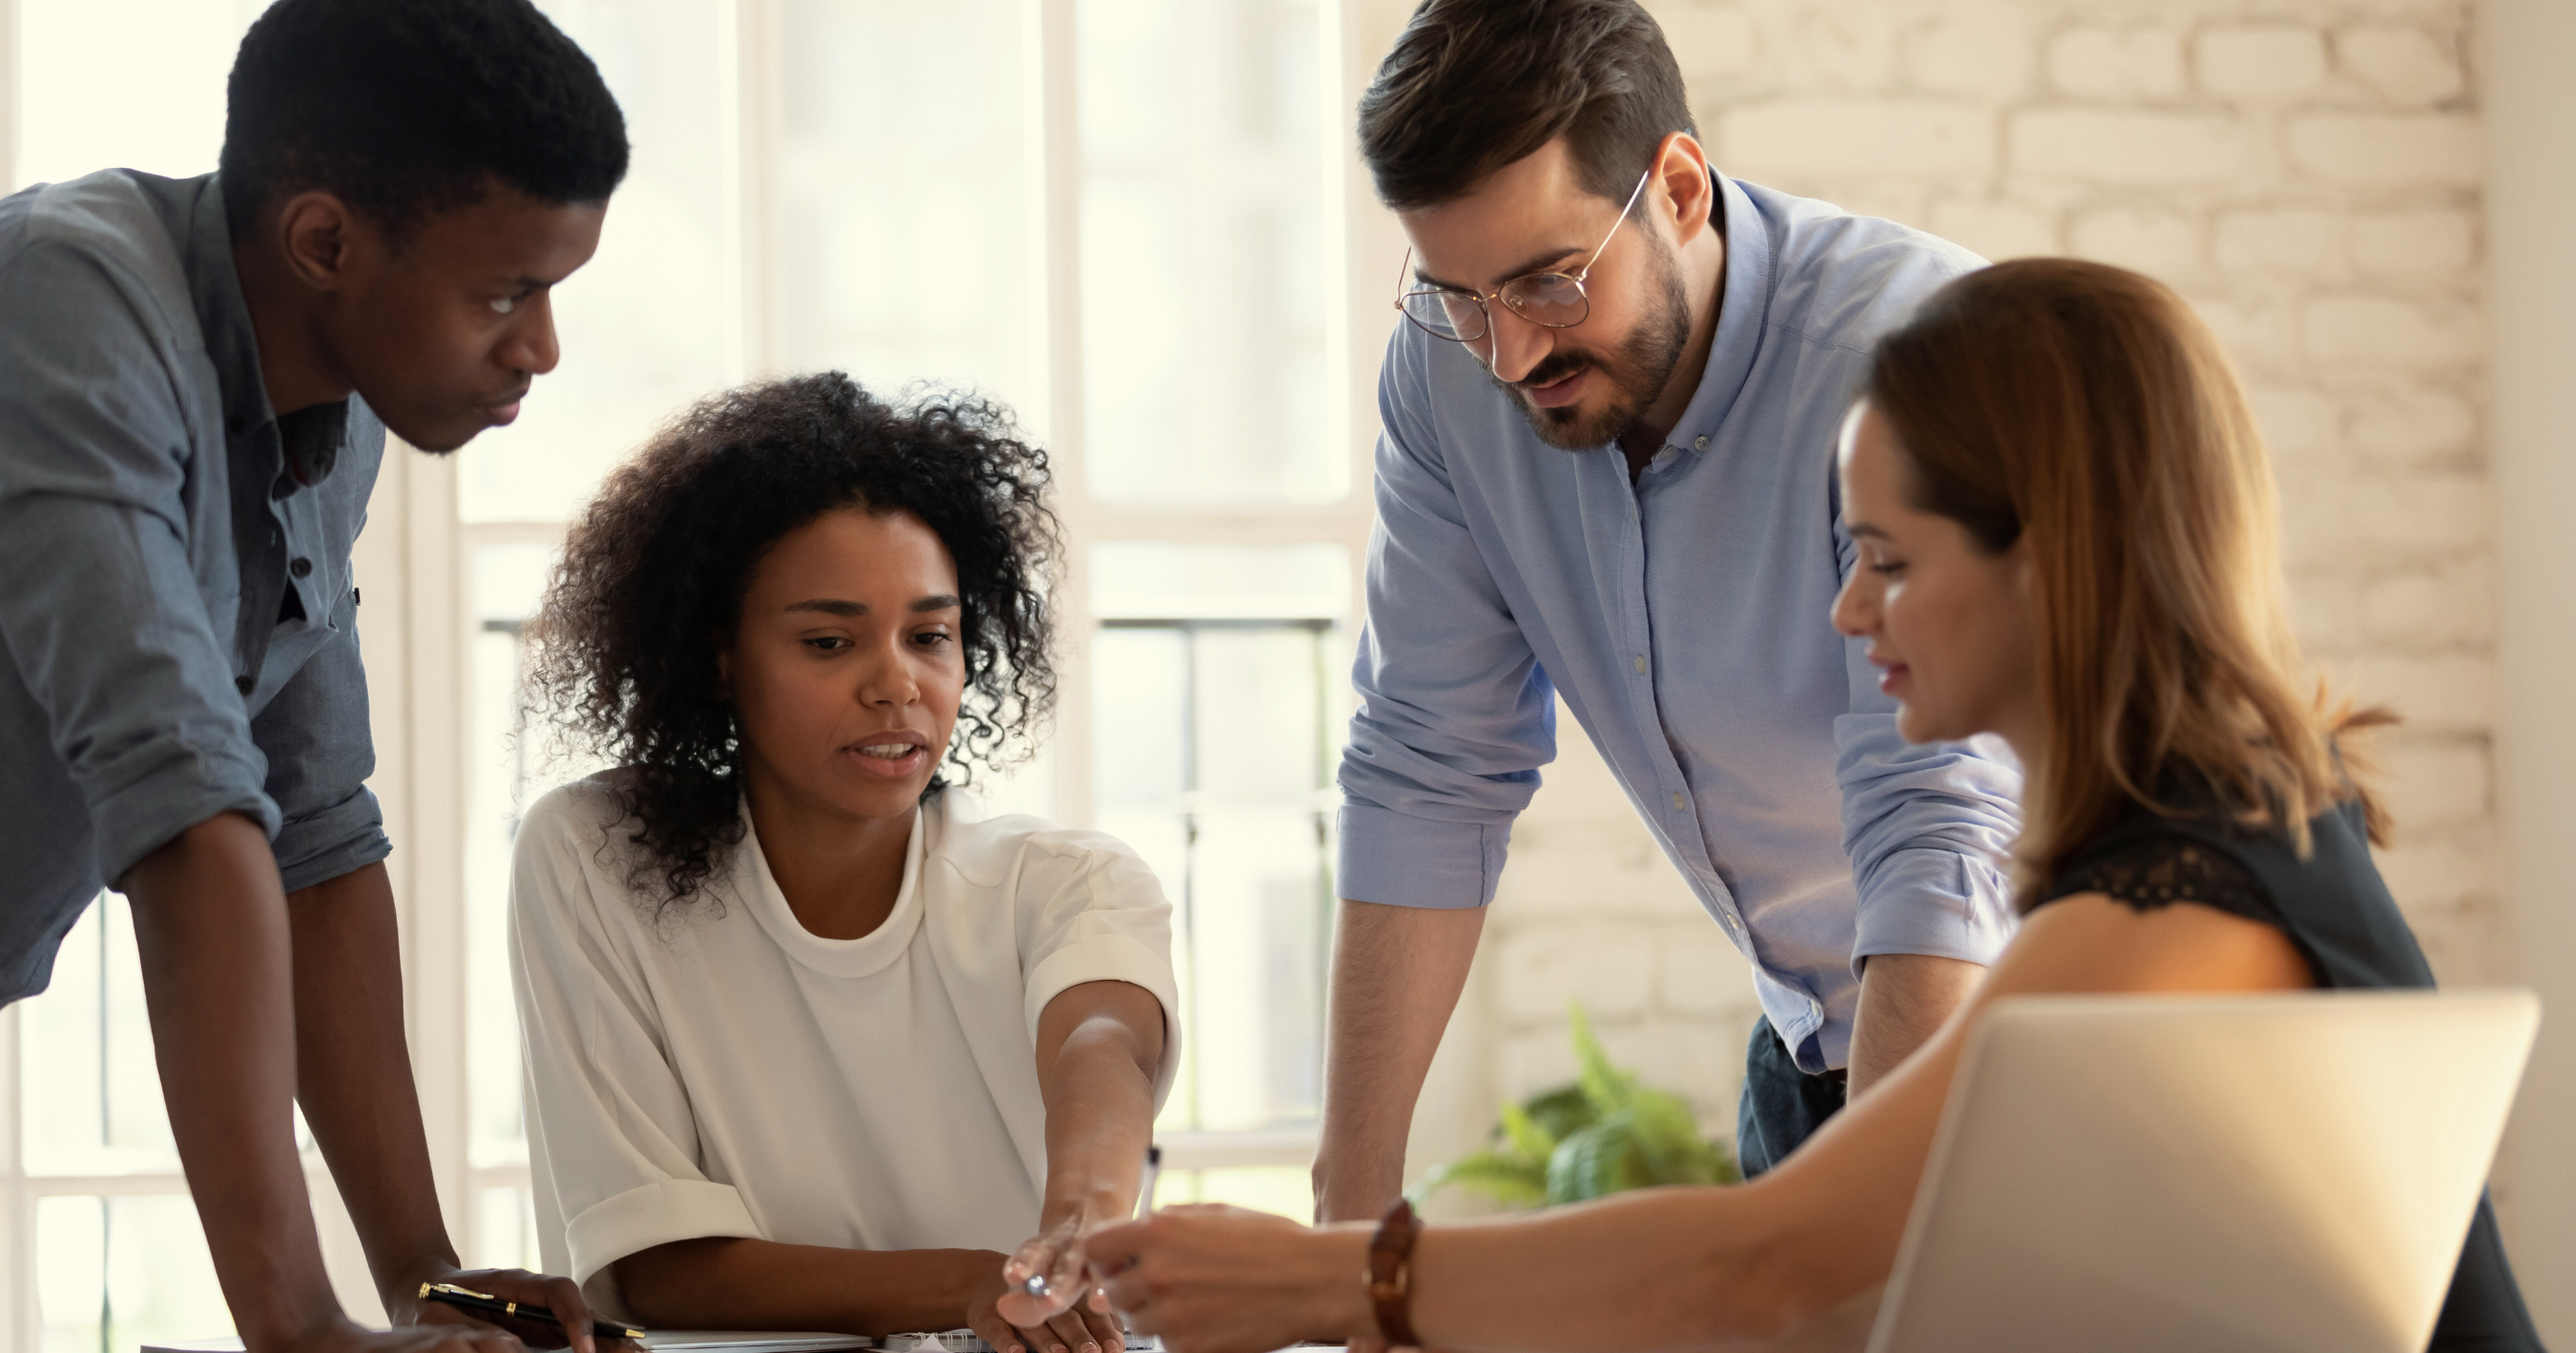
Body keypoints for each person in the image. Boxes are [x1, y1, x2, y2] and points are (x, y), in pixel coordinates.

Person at [1085, 260, 2545, 1353]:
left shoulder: (2170, 911)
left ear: (2053, 559)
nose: (1848, 608)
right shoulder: (2238, 826)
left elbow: (1773, 1255)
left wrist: (1334, 1278)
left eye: (1892, 559)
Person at [1315, 0, 2023, 1221]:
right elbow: (1428, 766)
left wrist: (1857, 1232)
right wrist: (1345, 1231)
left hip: (2009, 1056)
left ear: (1680, 188)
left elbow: (1937, 826)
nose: (1506, 355)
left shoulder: (1912, 351)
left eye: (1547, 282)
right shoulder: (1447, 372)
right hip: (1810, 1042)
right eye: (1457, 293)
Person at [0, 2, 627, 1349]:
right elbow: (182, 806)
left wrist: (422, 1274)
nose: (543, 347)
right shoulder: (67, 297)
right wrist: (304, 1330)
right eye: (507, 291)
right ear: (326, 242)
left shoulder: (336, 427)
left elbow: (320, 841)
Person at [509, 375, 1178, 1353]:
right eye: (829, 640)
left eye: (931, 636)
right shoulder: (597, 855)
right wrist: (971, 1283)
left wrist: (1079, 1225)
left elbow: (1103, 1044)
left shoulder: (1068, 879)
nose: (896, 682)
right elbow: (657, 1269)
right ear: (720, 656)